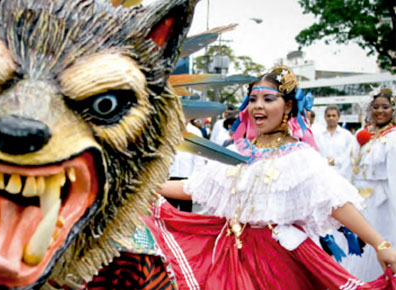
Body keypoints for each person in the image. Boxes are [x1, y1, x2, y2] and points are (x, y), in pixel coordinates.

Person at [143, 66, 396, 289]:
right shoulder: (236, 151)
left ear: (288, 106)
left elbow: (335, 203)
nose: (258, 106)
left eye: (268, 98)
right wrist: (146, 187)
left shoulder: (301, 157)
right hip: (229, 254)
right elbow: (194, 188)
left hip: (277, 258)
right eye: (253, 99)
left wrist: (380, 244)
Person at [340, 88, 396, 281]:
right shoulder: (362, 137)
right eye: (375, 107)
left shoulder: (393, 138)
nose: (380, 111)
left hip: (383, 204)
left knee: (380, 240)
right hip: (359, 201)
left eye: (385, 107)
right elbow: (346, 168)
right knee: (357, 243)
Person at [314, 105, 356, 179]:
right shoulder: (318, 135)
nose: (331, 118)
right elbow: (315, 153)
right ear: (325, 117)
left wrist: (335, 161)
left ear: (338, 117)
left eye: (334, 116)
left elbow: (350, 155)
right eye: (328, 116)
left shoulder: (347, 135)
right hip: (322, 175)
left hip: (342, 175)